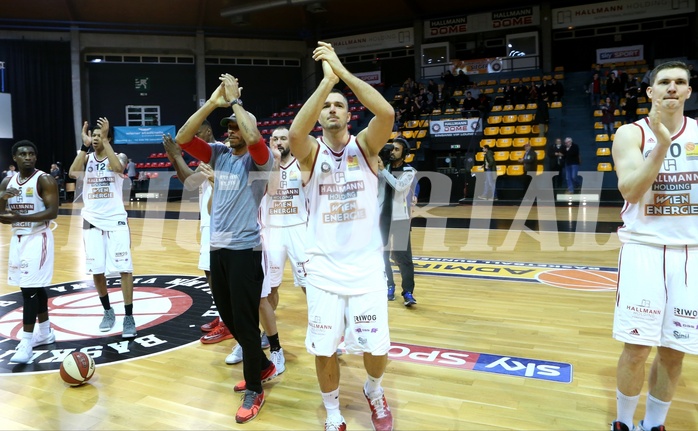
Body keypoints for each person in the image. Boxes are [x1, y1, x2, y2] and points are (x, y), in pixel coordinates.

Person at [288, 41, 395, 431]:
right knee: (324, 347)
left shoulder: (366, 146)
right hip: (323, 270)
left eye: (339, 105)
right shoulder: (310, 152)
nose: (332, 109)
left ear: (350, 115)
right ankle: (333, 413)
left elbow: (385, 112)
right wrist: (325, 83)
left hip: (366, 267)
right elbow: (297, 131)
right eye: (327, 106)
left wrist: (342, 74)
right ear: (320, 116)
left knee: (376, 348)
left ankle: (374, 389)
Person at [174, 73, 275, 424]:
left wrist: (236, 103)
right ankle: (262, 366)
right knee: (231, 319)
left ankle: (254, 389)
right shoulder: (218, 154)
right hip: (218, 250)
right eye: (227, 126)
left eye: (235, 126)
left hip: (245, 251)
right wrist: (214, 103)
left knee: (245, 324)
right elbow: (183, 137)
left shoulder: (262, 159)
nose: (230, 130)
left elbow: (254, 137)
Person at [611, 60, 696, 431]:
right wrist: (661, 146)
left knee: (674, 352)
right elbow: (630, 190)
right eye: (664, 82)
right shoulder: (631, 135)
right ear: (651, 92)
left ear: (689, 92)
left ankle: (654, 425)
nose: (672, 88)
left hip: (692, 254)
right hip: (644, 250)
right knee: (636, 350)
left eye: (680, 82)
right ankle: (624, 423)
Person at [162, 123, 233, 345]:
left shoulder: (218, 151)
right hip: (210, 221)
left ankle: (228, 323)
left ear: (207, 133)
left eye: (195, 134)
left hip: (220, 221)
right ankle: (224, 315)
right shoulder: (209, 154)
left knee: (218, 274)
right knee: (210, 272)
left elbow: (191, 183)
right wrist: (175, 158)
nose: (191, 139)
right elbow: (189, 181)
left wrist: (176, 155)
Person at [69, 119, 136, 338]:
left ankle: (128, 316)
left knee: (124, 268)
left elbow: (118, 168)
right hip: (92, 219)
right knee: (97, 269)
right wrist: (83, 146)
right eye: (94, 135)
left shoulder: (120, 156)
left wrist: (105, 139)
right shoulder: (86, 158)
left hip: (116, 218)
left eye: (100, 135)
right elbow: (72, 173)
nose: (96, 137)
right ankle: (108, 311)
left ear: (107, 138)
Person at [0, 140, 59, 363]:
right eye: (23, 154)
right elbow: (1, 215)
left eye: (31, 154)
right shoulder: (8, 181)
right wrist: (2, 199)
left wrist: (19, 217)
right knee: (35, 287)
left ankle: (26, 343)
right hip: (17, 239)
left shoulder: (44, 179)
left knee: (29, 291)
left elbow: (52, 212)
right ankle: (44, 333)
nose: (28, 157)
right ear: (14, 158)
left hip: (38, 238)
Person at [379, 137, 417, 307]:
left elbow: (399, 186)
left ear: (404, 153)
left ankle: (408, 291)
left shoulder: (409, 170)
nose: (392, 152)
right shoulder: (383, 167)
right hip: (382, 217)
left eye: (396, 149)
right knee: (382, 255)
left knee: (404, 257)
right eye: (391, 149)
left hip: (400, 219)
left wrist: (383, 170)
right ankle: (389, 286)